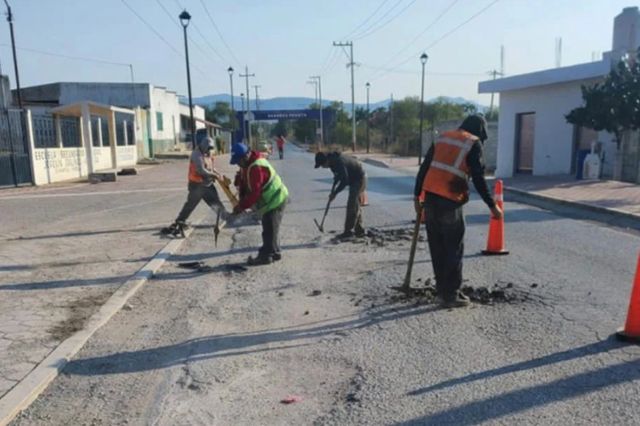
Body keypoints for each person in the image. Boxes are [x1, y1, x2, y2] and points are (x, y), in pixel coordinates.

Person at [414, 114, 502, 308]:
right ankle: (452, 295)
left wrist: (416, 196)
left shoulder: (443, 138)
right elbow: (478, 178)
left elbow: (424, 168)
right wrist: (492, 205)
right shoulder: (472, 143)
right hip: (450, 201)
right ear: (480, 130)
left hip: (429, 199)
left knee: (437, 247)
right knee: (453, 247)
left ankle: (442, 291)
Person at [230, 143, 289, 265]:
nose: (237, 164)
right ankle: (275, 252)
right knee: (270, 227)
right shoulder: (247, 164)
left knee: (269, 228)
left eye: (238, 161)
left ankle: (266, 256)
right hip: (270, 200)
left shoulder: (256, 167)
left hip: (276, 199)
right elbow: (244, 182)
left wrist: (241, 206)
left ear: (245, 157)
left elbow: (254, 194)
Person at [161, 137, 227, 237]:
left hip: (208, 184)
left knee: (216, 202)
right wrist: (214, 175)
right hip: (197, 185)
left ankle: (226, 217)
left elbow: (211, 167)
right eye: (208, 148)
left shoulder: (207, 153)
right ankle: (180, 221)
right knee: (190, 205)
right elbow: (201, 170)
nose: (209, 150)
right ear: (204, 145)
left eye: (210, 148)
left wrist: (218, 174)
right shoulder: (196, 155)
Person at [315, 151, 367, 238]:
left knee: (352, 205)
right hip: (354, 179)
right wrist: (334, 188)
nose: (323, 167)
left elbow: (345, 180)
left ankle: (348, 232)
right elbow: (338, 176)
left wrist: (335, 193)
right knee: (355, 204)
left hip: (359, 178)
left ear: (326, 161)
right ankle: (359, 230)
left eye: (322, 165)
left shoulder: (338, 162)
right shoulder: (332, 163)